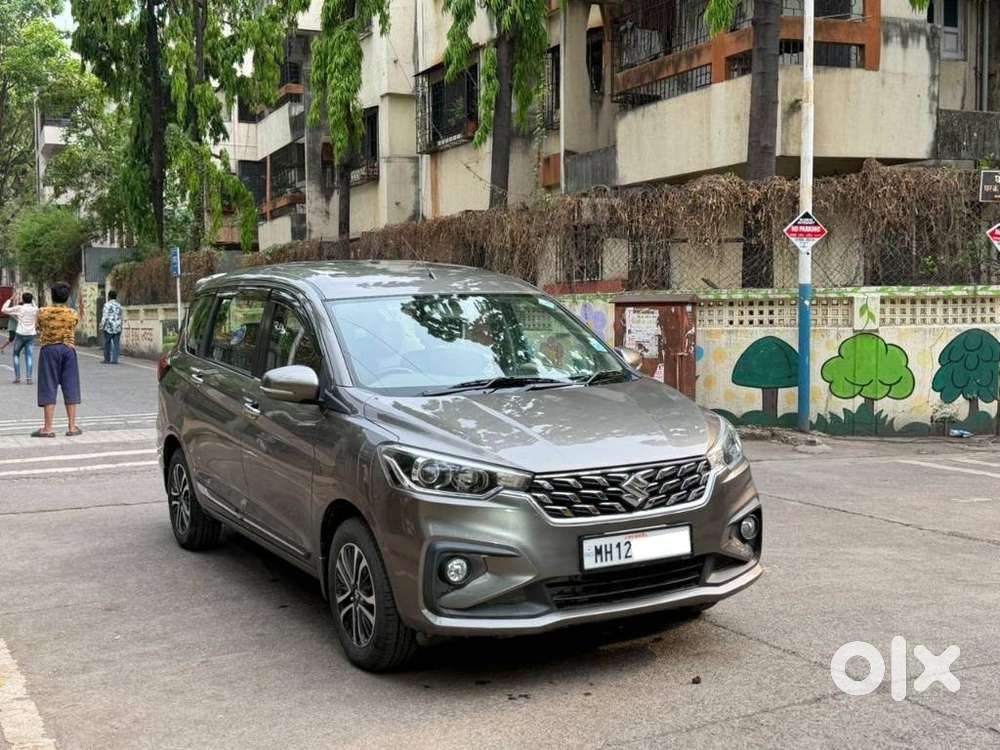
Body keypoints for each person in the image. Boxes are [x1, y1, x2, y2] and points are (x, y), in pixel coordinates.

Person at [33, 282, 81, 438]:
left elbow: (37, 328)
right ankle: (72, 427)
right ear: (67, 297)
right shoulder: (72, 313)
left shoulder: (41, 312)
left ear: (51, 295)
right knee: (70, 385)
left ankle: (48, 428)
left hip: (49, 350)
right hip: (68, 350)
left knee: (48, 386)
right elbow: (74, 326)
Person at [1, 292, 39, 384]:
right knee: (29, 356)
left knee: (16, 354)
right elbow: (36, 307)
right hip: (31, 335)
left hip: (20, 334)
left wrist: (10, 299)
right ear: (31, 300)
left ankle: (17, 377)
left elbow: (3, 310)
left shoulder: (19, 308)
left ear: (22, 300)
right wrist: (33, 301)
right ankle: (29, 378)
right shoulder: (35, 309)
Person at [100, 290, 124, 364]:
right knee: (116, 343)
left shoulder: (106, 305)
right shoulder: (119, 305)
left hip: (109, 327)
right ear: (116, 297)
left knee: (107, 343)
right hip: (117, 326)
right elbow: (121, 316)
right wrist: (121, 324)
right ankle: (115, 359)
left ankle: (107, 359)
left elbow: (105, 316)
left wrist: (101, 325)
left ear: (109, 296)